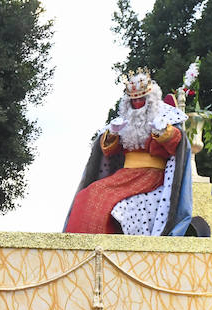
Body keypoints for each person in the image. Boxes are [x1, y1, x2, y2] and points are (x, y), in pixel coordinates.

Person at [63, 69, 192, 236]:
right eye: (133, 100)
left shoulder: (166, 116)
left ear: (150, 99)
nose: (137, 103)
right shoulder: (125, 120)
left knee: (111, 202)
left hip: (151, 175)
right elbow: (109, 152)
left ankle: (106, 247)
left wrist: (163, 132)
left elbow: (176, 144)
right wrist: (112, 134)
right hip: (125, 174)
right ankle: (83, 249)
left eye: (141, 99)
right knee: (88, 194)